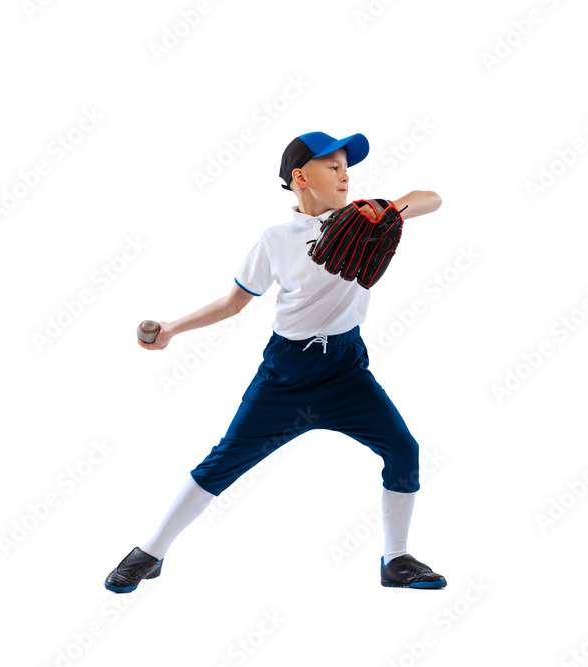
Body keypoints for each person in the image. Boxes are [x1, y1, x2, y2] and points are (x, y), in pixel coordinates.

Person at [104, 131, 445, 592]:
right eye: (333, 167)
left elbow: (433, 198)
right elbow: (231, 305)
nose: (345, 176)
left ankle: (396, 560)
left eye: (348, 168)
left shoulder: (362, 220)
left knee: (403, 449)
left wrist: (390, 208)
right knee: (222, 462)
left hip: (346, 369)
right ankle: (150, 551)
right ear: (301, 177)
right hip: (286, 374)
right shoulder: (276, 240)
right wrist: (170, 329)